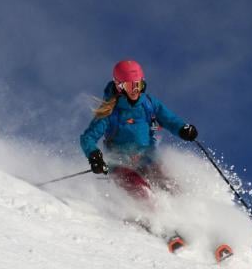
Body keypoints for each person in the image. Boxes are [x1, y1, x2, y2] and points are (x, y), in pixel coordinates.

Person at [79, 59, 198, 203]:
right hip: (120, 164)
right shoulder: (110, 113)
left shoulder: (149, 103)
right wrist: (94, 156)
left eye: (138, 85)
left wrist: (183, 129)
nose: (135, 90)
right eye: (130, 86)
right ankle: (152, 220)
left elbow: (169, 119)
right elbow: (88, 138)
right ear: (119, 86)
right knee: (143, 192)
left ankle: (188, 217)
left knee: (171, 188)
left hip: (147, 160)